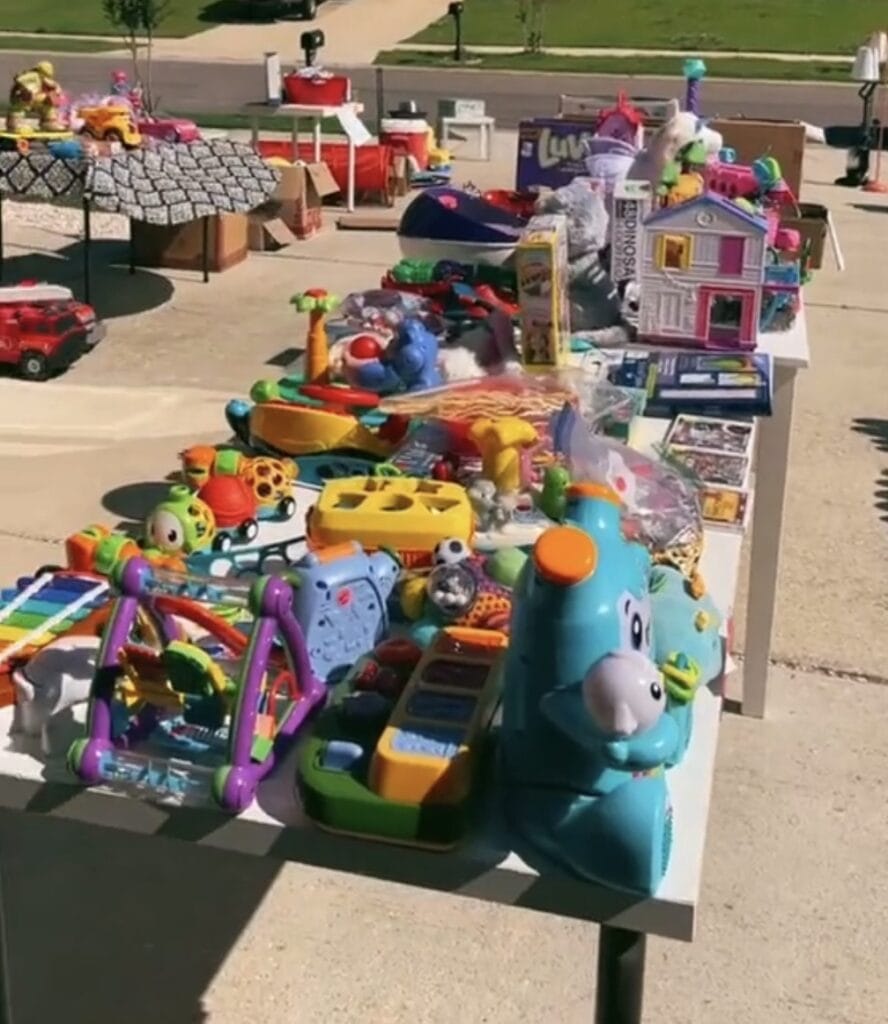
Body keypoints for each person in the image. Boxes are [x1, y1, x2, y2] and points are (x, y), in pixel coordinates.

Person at [6, 60, 63, 133]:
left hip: (36, 99)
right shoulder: (34, 75)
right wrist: (25, 89)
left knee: (48, 105)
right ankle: (15, 125)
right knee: (18, 108)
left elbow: (56, 87)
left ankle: (48, 123)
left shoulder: (46, 79)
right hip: (23, 99)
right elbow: (19, 80)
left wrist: (55, 90)